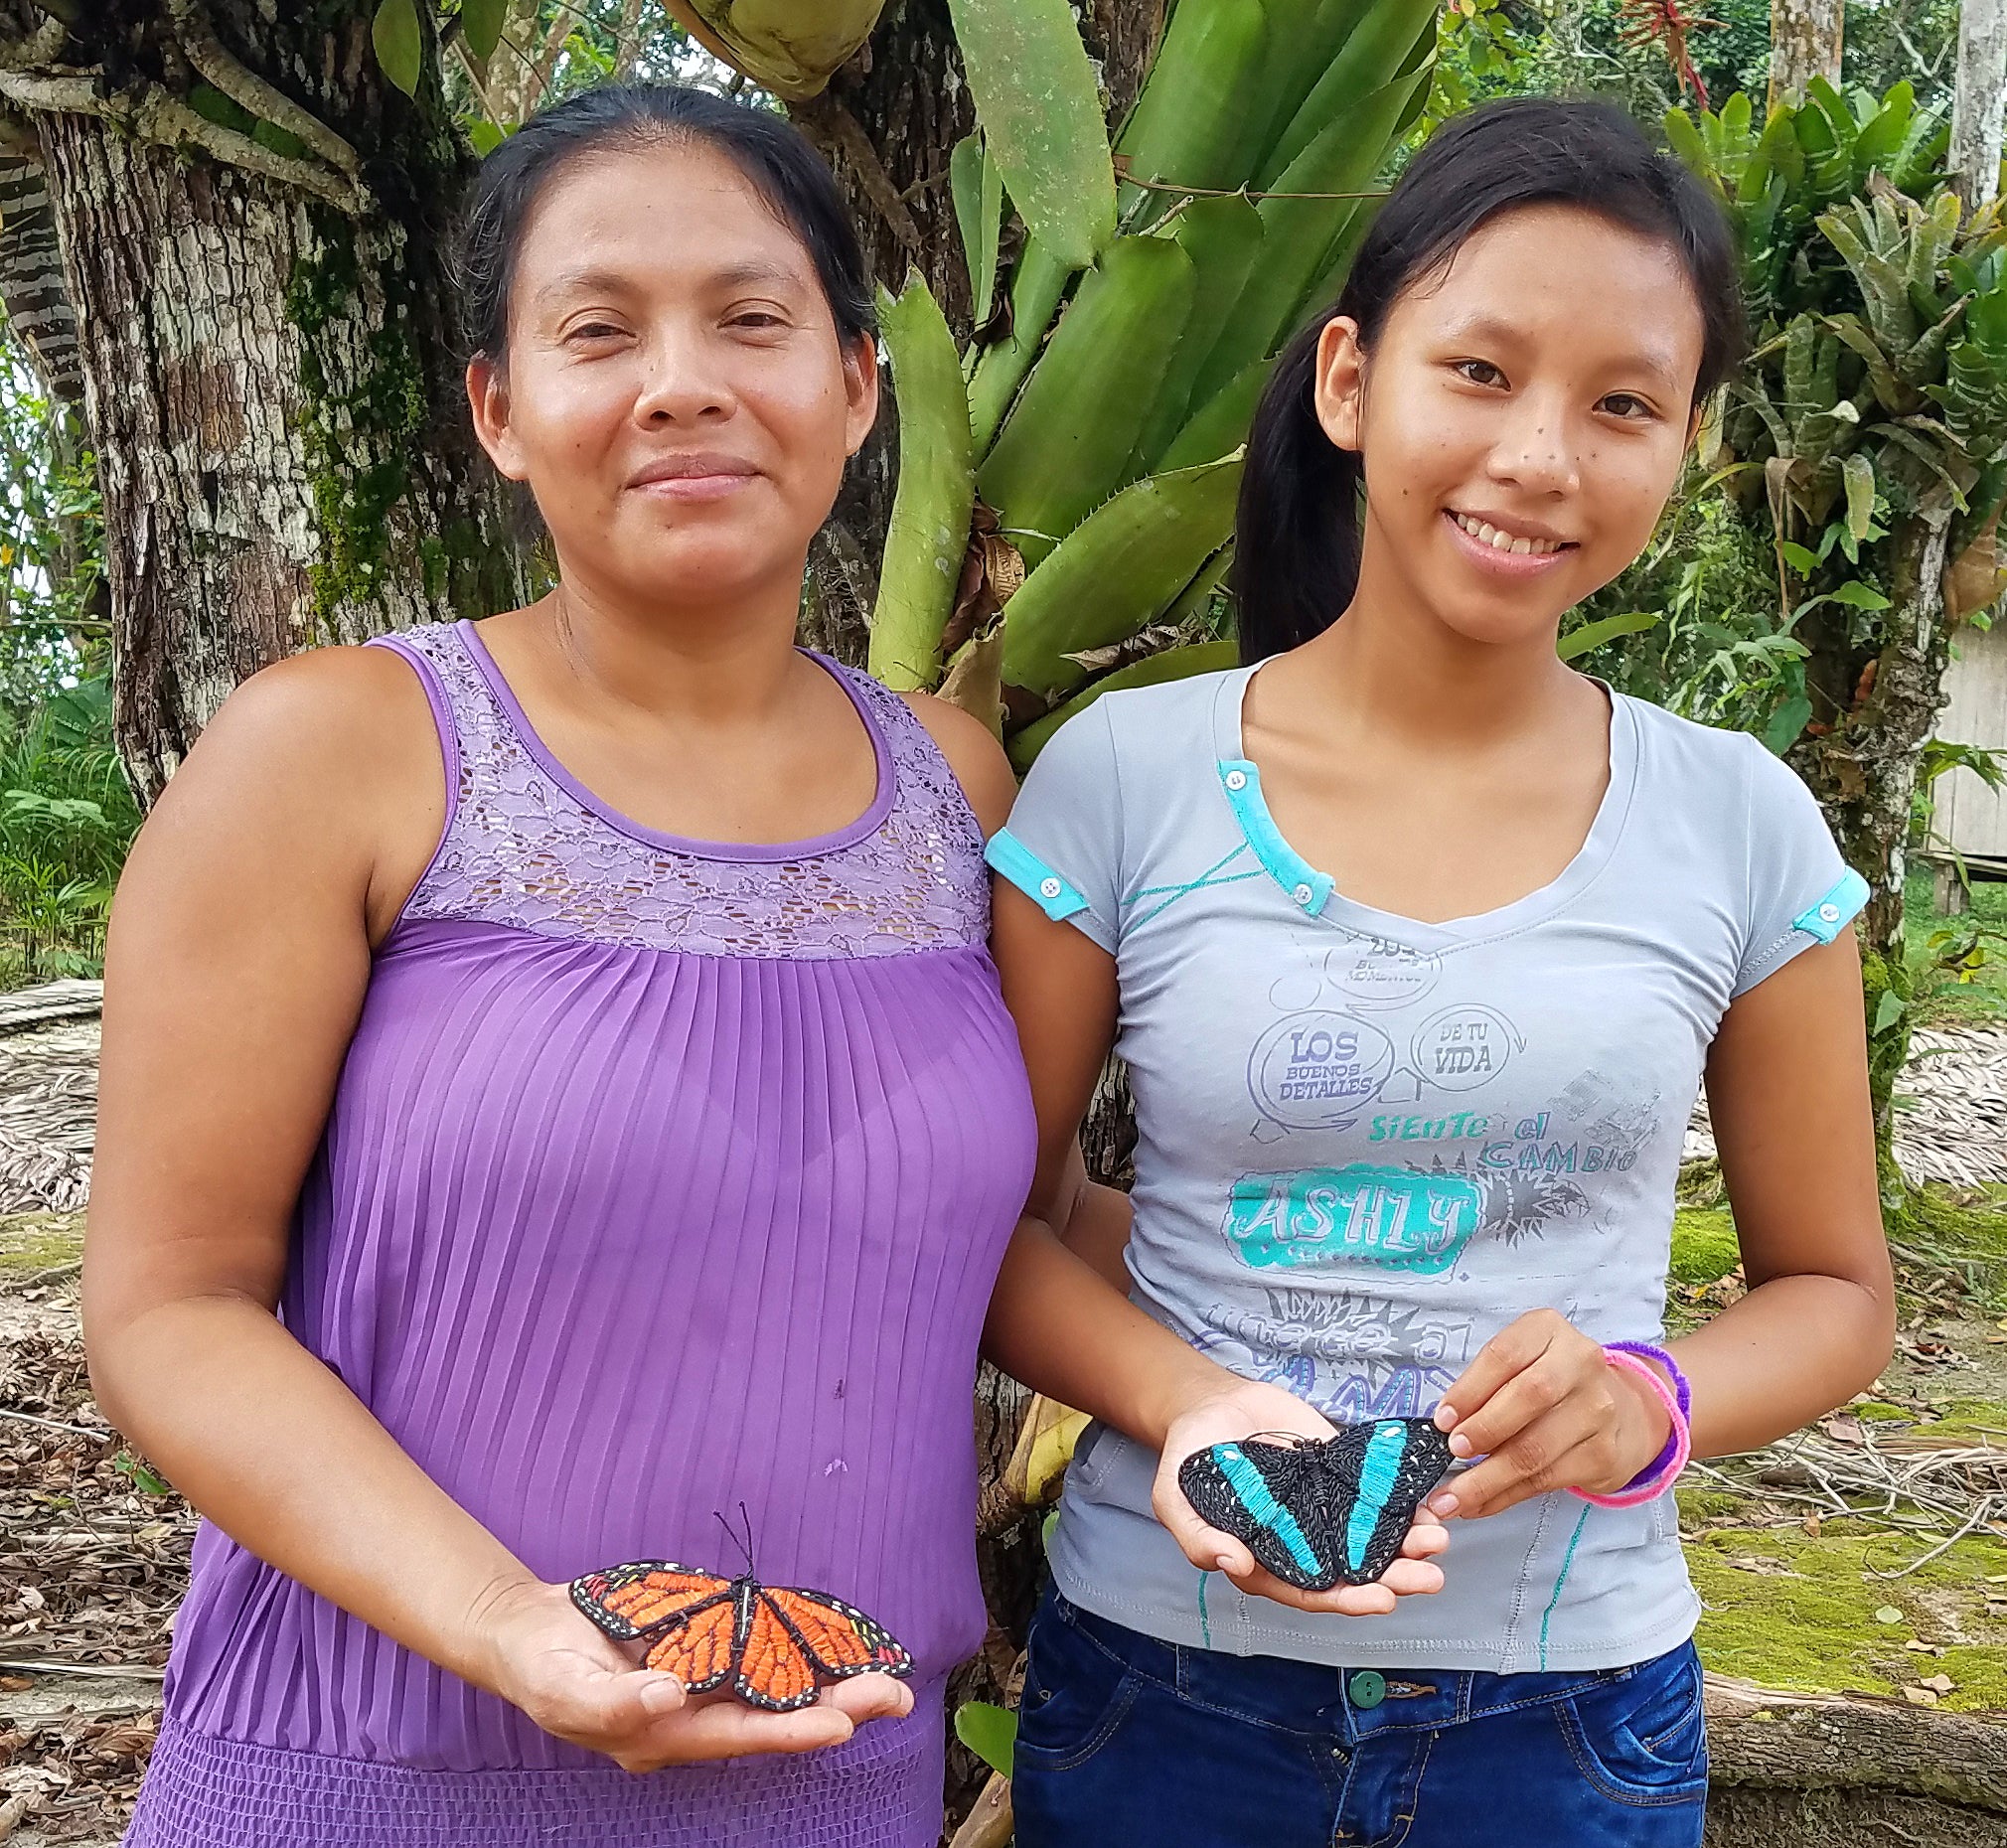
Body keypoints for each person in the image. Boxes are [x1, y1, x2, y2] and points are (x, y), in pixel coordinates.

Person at [91, 83, 1028, 1848]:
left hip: (840, 1784)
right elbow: (167, 1309)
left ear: (857, 386)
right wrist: (508, 1628)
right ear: (500, 412)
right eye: (600, 331)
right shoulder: (339, 753)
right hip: (370, 1777)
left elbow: (1006, 1247)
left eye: (753, 321)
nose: (682, 381)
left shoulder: (953, 793)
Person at [982, 97, 1894, 1847]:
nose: (1542, 455)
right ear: (1349, 382)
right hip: (1167, 1687)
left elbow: (1840, 1295)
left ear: (1683, 449)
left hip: (1565, 1717)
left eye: (1623, 404)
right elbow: (993, 1223)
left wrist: (1650, 1400)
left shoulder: (1739, 826)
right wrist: (1189, 1406)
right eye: (1479, 371)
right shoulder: (1122, 779)